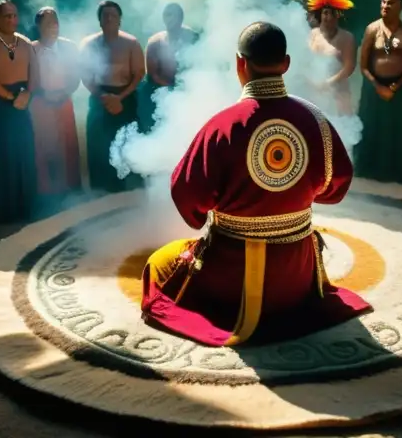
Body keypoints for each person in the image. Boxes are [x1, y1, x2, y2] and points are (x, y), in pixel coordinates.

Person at [140, 22, 372, 345]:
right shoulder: (316, 120)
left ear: (240, 63)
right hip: (297, 279)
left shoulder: (221, 126)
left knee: (159, 264)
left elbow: (187, 196)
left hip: (230, 283)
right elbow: (336, 186)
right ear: (287, 64)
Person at [0, 0, 39, 222]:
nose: (12, 20)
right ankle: (5, 210)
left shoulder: (26, 43)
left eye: (14, 15)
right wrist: (10, 97)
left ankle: (27, 207)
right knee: (3, 156)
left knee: (24, 152)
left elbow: (35, 75)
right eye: (6, 16)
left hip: (22, 102)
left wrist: (26, 95)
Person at [354, 0, 402, 184]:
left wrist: (396, 86)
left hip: (400, 88)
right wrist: (377, 86)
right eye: (383, 2)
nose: (385, 6)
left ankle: (397, 173)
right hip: (373, 86)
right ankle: (367, 170)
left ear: (401, 6)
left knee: (398, 129)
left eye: (390, 3)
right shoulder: (371, 29)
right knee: (371, 126)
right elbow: (364, 64)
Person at [79, 0, 145, 193]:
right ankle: (101, 188)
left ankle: (131, 188)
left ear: (119, 20)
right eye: (104, 15)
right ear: (99, 20)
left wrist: (120, 97)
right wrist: (103, 97)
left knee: (127, 141)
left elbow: (139, 74)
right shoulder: (89, 44)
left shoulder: (131, 43)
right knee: (99, 144)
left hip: (126, 96)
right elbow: (85, 75)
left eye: (113, 15)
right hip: (99, 97)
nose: (109, 19)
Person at [30, 7, 82, 199]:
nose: (52, 27)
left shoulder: (69, 47)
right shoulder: (31, 48)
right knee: (45, 145)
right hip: (40, 103)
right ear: (38, 26)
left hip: (64, 100)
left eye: (55, 22)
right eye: (47, 23)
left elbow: (76, 76)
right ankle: (47, 191)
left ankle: (71, 189)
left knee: (67, 144)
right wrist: (43, 94)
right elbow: (29, 78)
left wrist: (64, 92)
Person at [140, 2, 198, 131]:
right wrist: (172, 89)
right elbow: (152, 74)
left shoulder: (193, 38)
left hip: (190, 92)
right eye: (167, 15)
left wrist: (187, 89)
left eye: (174, 15)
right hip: (161, 94)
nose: (170, 19)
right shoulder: (155, 42)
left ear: (181, 18)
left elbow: (201, 66)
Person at [305, 0, 357, 114]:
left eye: (333, 14)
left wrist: (327, 83)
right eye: (325, 13)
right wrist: (311, 82)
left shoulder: (347, 37)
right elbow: (304, 60)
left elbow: (349, 67)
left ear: (338, 16)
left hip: (338, 94)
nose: (329, 17)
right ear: (320, 15)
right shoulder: (312, 34)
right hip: (314, 92)